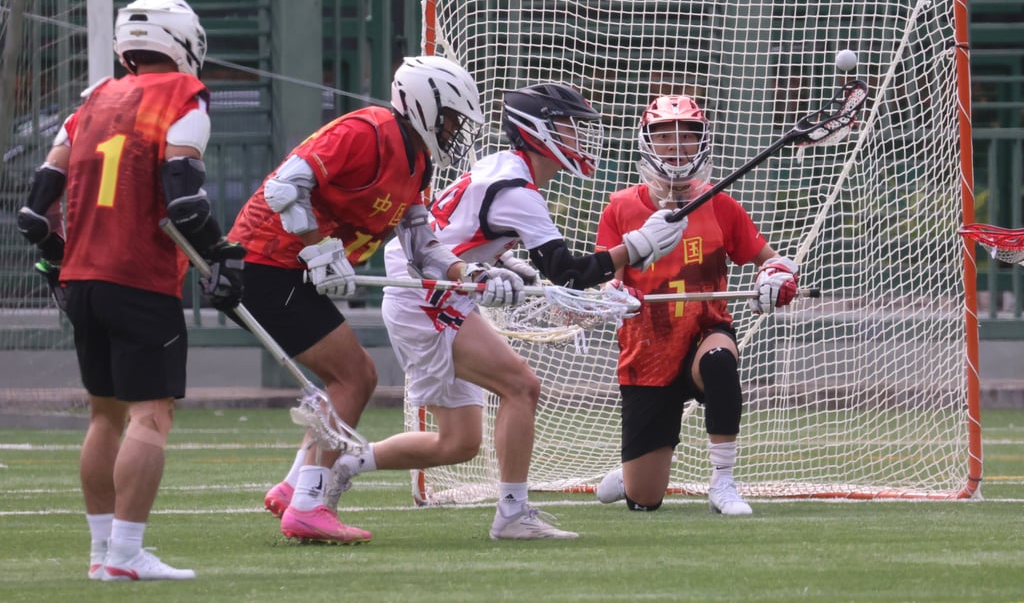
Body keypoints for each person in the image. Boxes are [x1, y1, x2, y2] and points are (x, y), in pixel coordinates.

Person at [262, 82, 690, 540]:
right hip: (428, 295)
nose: (578, 138)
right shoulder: (517, 188)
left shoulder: (500, 168)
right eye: (569, 128)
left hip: (439, 290)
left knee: (459, 442)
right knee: (521, 386)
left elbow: (457, 227)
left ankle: (338, 464)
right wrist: (636, 246)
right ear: (539, 130)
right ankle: (513, 514)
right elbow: (568, 272)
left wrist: (503, 261)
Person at [236, 56, 525, 545]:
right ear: (425, 104)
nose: (455, 131)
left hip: (290, 270)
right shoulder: (368, 130)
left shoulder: (419, 162)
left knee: (346, 377)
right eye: (452, 118)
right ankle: (308, 503)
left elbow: (422, 248)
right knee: (355, 376)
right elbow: (287, 185)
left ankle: (293, 487)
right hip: (267, 263)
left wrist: (471, 273)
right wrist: (318, 248)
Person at [16, 0, 244, 581]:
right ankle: (126, 554)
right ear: (186, 42)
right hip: (140, 277)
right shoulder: (184, 98)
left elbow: (35, 214)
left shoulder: (92, 99)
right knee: (151, 416)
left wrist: (56, 259)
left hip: (82, 279)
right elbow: (186, 199)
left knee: (104, 416)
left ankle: (100, 553)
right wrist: (219, 253)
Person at [593, 94, 799, 515]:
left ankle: (723, 482)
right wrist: (613, 295)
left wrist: (777, 278)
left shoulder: (719, 203)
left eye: (688, 135)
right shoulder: (620, 207)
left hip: (705, 332)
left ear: (702, 141)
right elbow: (605, 280)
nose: (677, 145)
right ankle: (634, 472)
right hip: (647, 351)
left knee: (720, 360)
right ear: (647, 143)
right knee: (643, 501)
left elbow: (773, 260)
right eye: (664, 136)